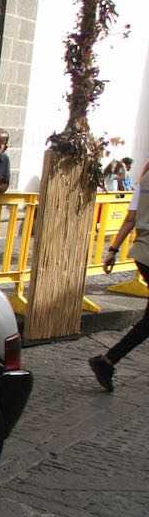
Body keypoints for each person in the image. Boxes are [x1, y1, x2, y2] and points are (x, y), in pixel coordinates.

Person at [89, 159, 149, 392]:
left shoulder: (143, 181)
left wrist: (113, 250)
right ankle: (106, 361)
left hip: (142, 253)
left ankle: (107, 361)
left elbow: (130, 220)